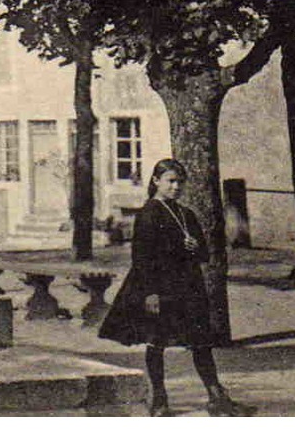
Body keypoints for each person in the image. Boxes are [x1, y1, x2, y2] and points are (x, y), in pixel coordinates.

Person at [98, 158, 255, 416]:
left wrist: (195, 248)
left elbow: (204, 253)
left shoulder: (186, 214)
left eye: (180, 182)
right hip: (159, 287)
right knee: (156, 341)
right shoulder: (149, 213)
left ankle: (217, 397)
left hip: (188, 287)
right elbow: (142, 258)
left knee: (200, 342)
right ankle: (159, 400)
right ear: (156, 181)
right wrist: (150, 293)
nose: (176, 187)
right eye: (170, 181)